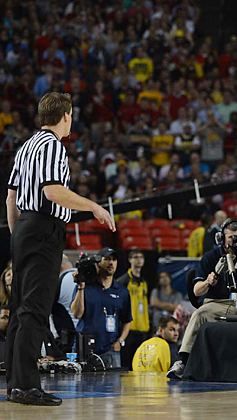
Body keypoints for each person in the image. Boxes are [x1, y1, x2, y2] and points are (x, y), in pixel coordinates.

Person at [5, 92, 114, 406]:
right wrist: (94, 207)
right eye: (71, 116)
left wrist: (19, 236)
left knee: (19, 311)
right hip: (42, 228)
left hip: (25, 228)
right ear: (65, 116)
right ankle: (27, 386)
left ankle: (16, 385)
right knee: (34, 310)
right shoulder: (53, 146)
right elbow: (53, 192)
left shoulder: (26, 146)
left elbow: (11, 199)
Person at [167, 218, 237, 379]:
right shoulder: (211, 257)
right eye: (231, 237)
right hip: (218, 303)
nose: (235, 241)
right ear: (221, 238)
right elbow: (196, 291)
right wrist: (209, 281)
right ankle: (183, 361)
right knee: (200, 313)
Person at [71, 248, 132, 370]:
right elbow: (77, 314)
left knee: (111, 387)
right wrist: (81, 287)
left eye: (114, 260)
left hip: (110, 350)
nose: (111, 263)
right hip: (84, 348)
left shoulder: (122, 292)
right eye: (107, 259)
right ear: (98, 263)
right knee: (82, 387)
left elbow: (127, 320)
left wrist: (120, 341)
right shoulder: (86, 286)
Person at [116, 250, 151, 369]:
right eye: (135, 257)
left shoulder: (144, 282)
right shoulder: (123, 281)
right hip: (128, 330)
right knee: (126, 364)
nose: (139, 259)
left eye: (141, 257)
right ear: (130, 260)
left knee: (139, 364)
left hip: (142, 329)